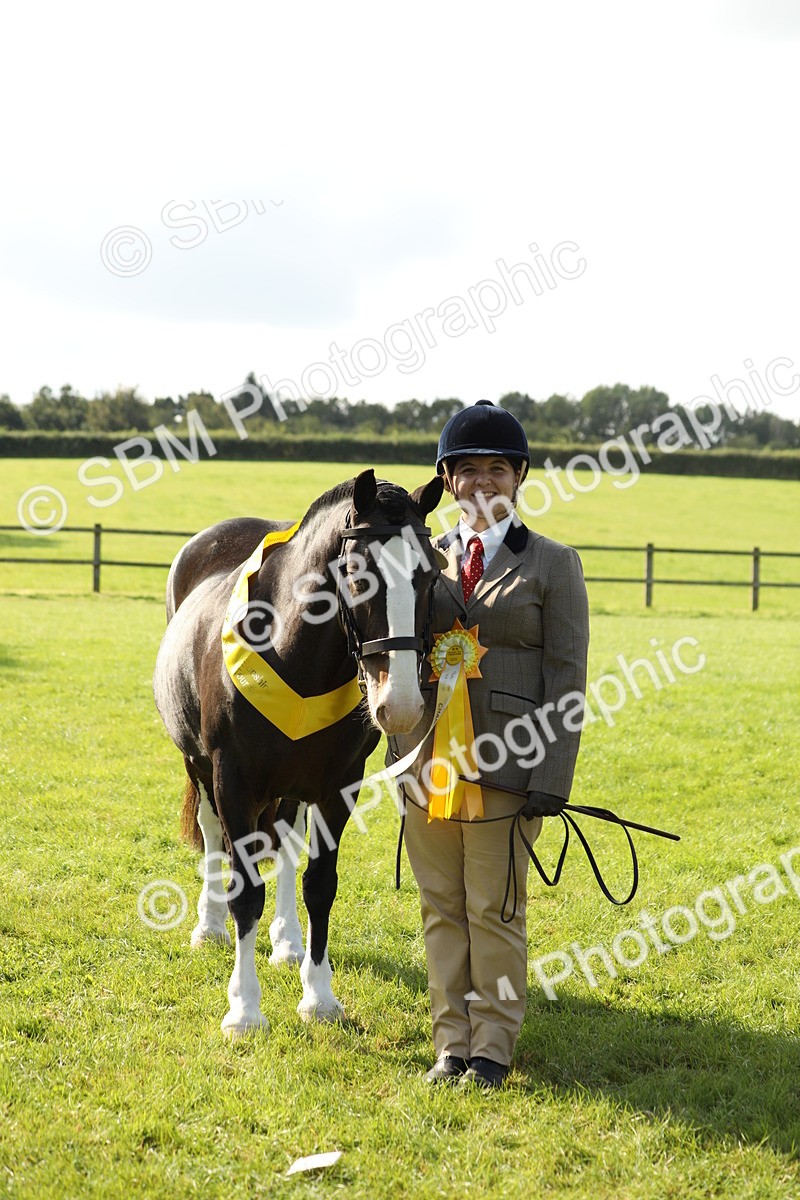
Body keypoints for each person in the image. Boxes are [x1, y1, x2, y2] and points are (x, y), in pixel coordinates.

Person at [392, 399, 590, 1089]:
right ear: (447, 481)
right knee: (440, 907)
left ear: (521, 477)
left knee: (495, 908)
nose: (482, 485)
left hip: (509, 765)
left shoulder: (555, 565)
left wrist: (553, 774)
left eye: (497, 470)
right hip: (426, 765)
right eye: (467, 471)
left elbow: (567, 675)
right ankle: (450, 1044)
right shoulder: (421, 563)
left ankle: (492, 1051)